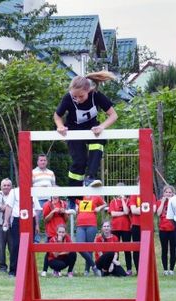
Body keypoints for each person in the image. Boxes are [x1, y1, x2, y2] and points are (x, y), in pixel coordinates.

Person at [53, 71, 118, 205]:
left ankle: (91, 177)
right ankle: (73, 198)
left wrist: (102, 127)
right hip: (74, 132)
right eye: (75, 96)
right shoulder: (68, 98)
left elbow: (113, 115)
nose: (77, 99)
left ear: (88, 90)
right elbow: (57, 116)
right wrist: (60, 126)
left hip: (91, 129)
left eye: (81, 96)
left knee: (99, 140)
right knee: (79, 162)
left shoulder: (96, 96)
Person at [2, 187, 42, 277]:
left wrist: (37, 224)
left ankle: (28, 270)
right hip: (18, 220)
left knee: (29, 246)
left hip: (30, 220)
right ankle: (13, 270)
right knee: (15, 245)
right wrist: (6, 221)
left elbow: (37, 209)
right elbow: (9, 207)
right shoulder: (14, 192)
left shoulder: (32, 191)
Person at [129, 179, 157, 275]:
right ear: (137, 183)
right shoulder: (134, 195)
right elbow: (133, 211)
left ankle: (149, 270)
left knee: (149, 248)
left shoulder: (151, 195)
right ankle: (139, 270)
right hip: (136, 225)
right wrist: (146, 209)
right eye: (140, 182)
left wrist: (139, 209)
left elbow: (153, 211)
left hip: (148, 226)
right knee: (137, 248)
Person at [75, 194, 105, 276]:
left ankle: (86, 271)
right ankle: (94, 266)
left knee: (89, 248)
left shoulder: (96, 196)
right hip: (80, 225)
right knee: (79, 246)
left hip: (91, 224)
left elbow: (105, 204)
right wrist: (75, 208)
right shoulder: (80, 196)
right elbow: (72, 202)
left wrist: (99, 207)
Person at [41, 196, 68, 277]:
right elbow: (45, 220)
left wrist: (64, 212)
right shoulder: (47, 204)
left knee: (59, 251)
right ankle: (44, 270)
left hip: (61, 232)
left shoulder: (63, 203)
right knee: (49, 251)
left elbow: (66, 219)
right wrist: (52, 212)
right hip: (52, 231)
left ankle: (57, 270)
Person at [108, 183, 132, 275]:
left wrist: (122, 199)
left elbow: (127, 211)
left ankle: (129, 269)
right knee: (115, 249)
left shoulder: (127, 200)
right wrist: (122, 213)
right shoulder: (113, 201)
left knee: (127, 249)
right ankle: (115, 268)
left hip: (126, 228)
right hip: (115, 228)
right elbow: (113, 214)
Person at [156, 185, 176, 276]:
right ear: (163, 193)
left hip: (173, 229)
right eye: (166, 192)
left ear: (173, 193)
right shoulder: (160, 201)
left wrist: (172, 201)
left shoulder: (175, 201)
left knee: (173, 250)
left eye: (170, 192)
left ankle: (171, 269)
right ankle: (165, 269)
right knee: (164, 249)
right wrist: (163, 202)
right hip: (163, 229)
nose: (168, 194)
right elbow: (158, 213)